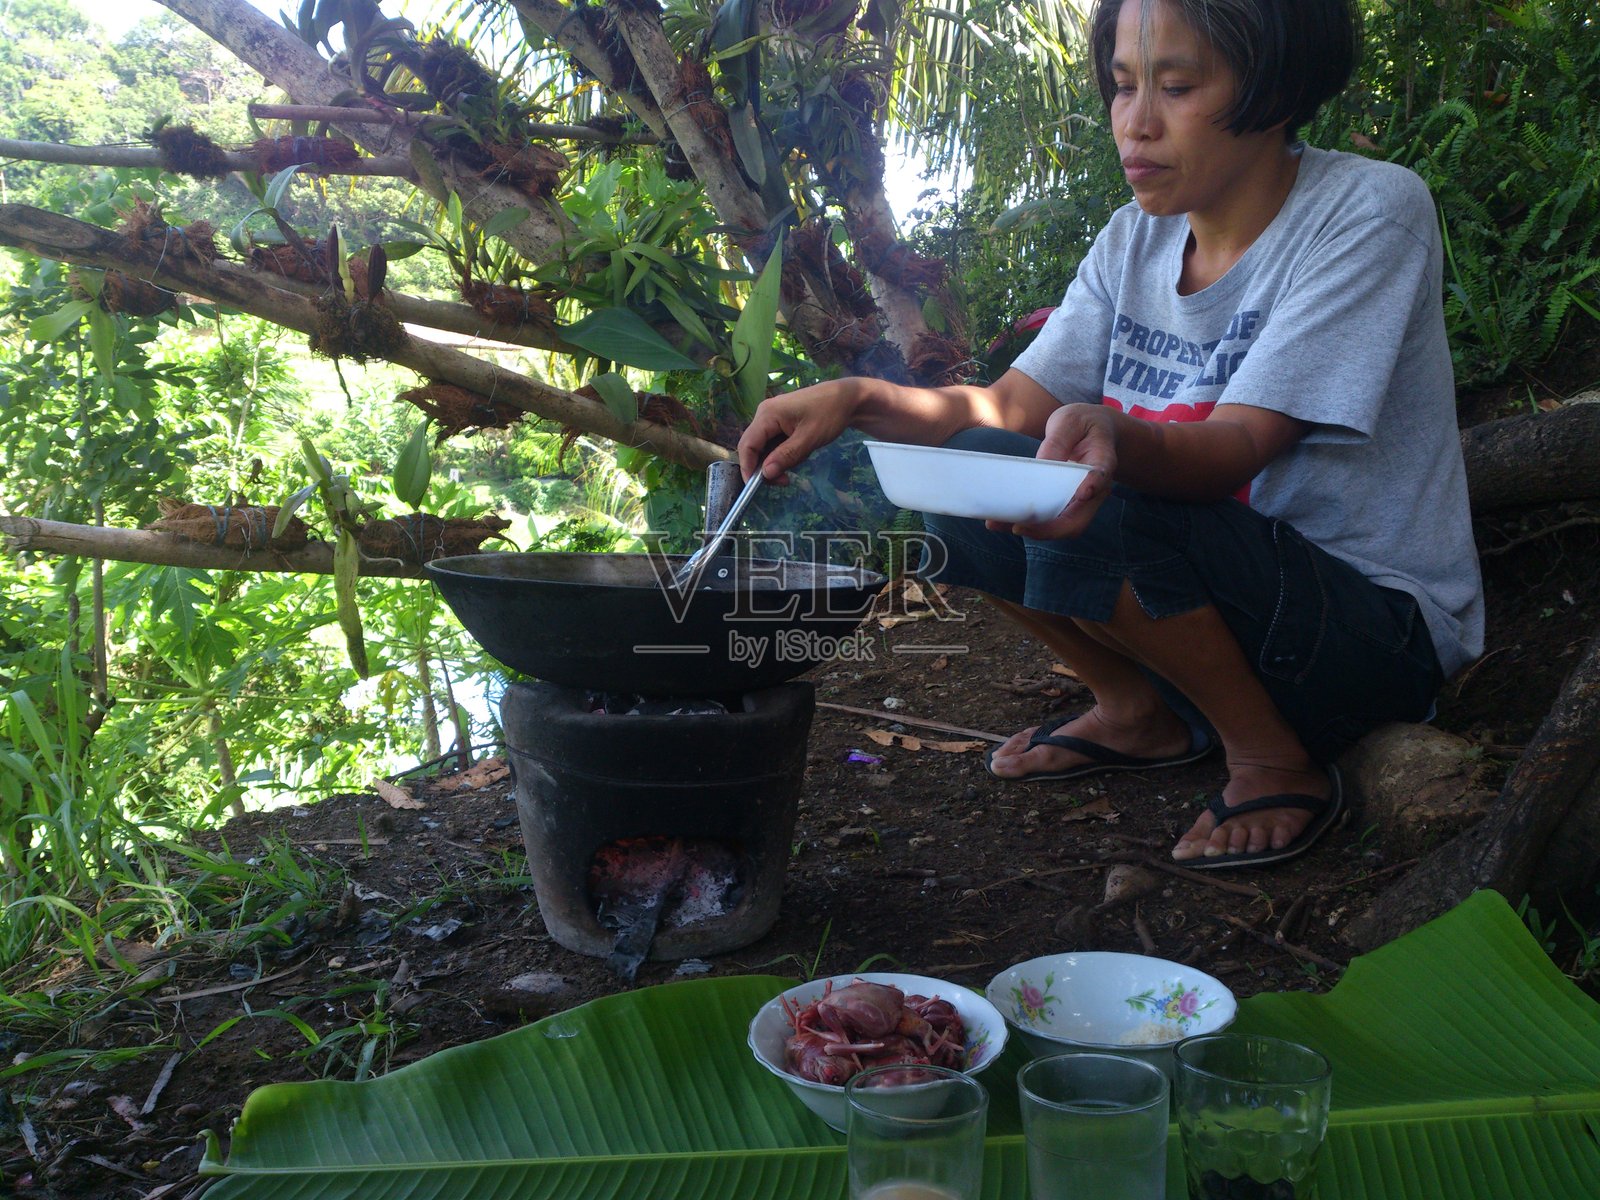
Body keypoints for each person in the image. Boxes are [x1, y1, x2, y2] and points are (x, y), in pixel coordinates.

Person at [736, 0, 1483, 869]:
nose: (1136, 121)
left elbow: (1237, 446)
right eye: (1123, 86)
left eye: (1176, 86)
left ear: (1276, 87)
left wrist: (1113, 436)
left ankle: (1273, 757)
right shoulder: (1135, 239)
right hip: (1215, 617)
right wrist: (862, 398)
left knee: (1088, 498)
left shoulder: (1365, 211)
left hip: (1364, 638)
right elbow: (1006, 411)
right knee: (960, 476)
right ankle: (1138, 710)